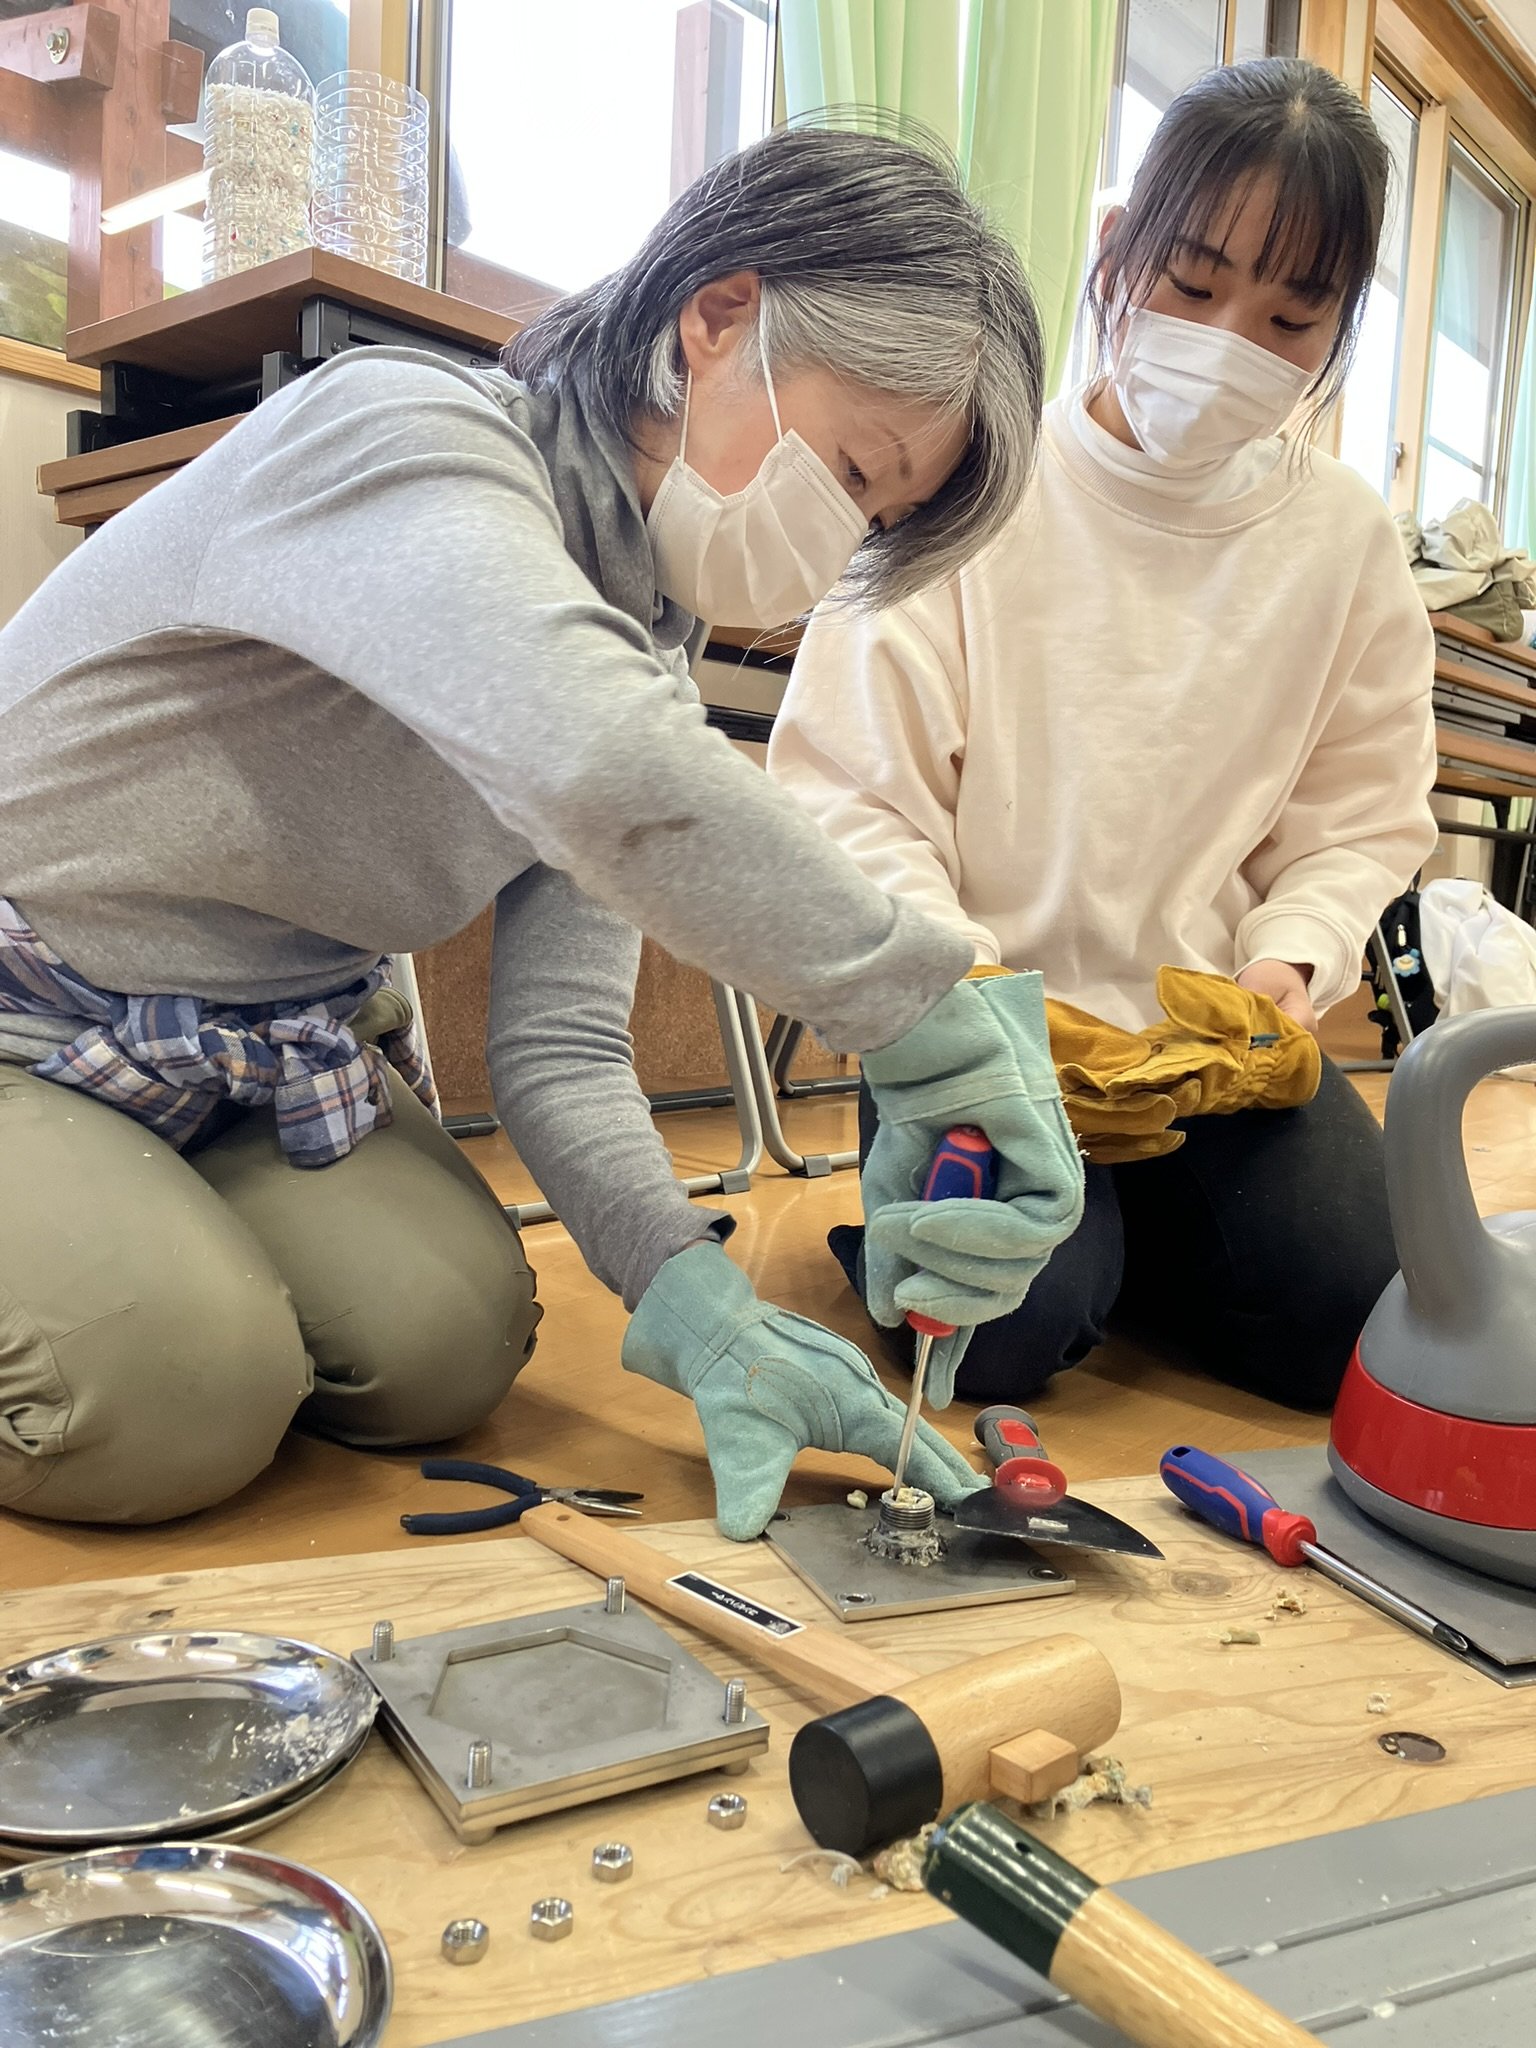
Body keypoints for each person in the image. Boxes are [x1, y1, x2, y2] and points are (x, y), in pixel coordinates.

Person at [0, 125, 1085, 1534]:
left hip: (262, 1044)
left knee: (447, 1347)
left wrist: (704, 1310)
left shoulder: (637, 636)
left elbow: (558, 1043)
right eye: (851, 467)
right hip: (26, 1006)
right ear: (717, 317)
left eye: (874, 518)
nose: (834, 544)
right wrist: (916, 1013)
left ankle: (129, 1228)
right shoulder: (400, 431)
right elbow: (595, 759)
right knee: (171, 1395)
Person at [768, 60, 1438, 1416]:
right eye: (1191, 285)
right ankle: (1067, 1255)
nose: (1229, 342)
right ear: (1118, 247)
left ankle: (1120, 1244)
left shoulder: (1345, 542)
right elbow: (851, 796)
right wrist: (960, 996)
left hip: (1208, 1047)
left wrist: (1290, 956)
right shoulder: (974, 481)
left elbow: (1363, 815)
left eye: (1290, 319)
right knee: (995, 1342)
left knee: (1359, 1324)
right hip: (982, 1024)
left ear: (1339, 327)